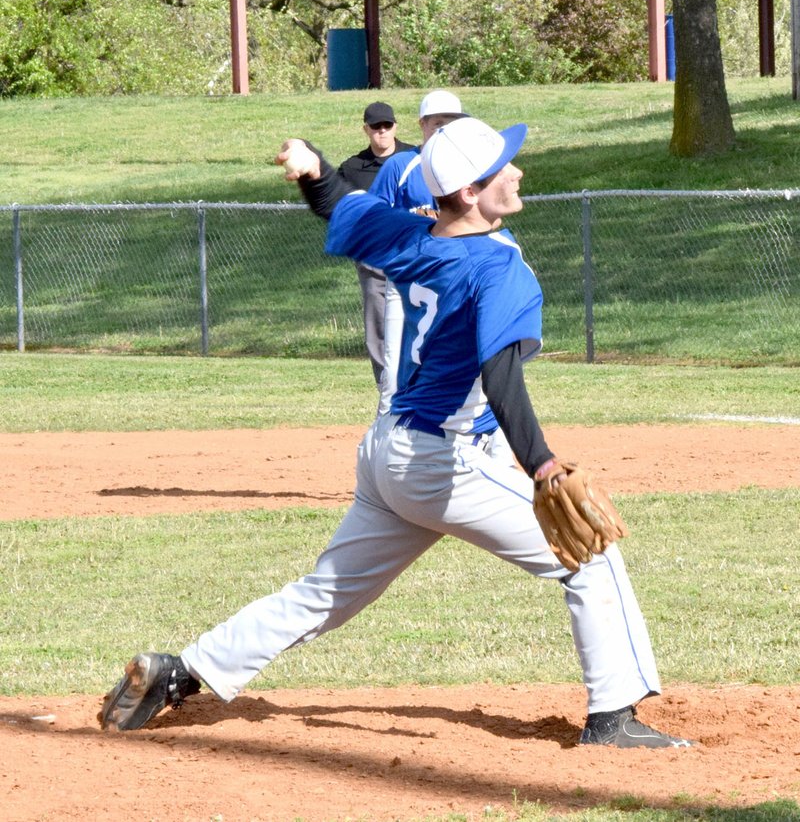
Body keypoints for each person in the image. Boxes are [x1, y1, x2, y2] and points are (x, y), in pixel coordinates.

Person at [99, 117, 695, 749]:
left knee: (324, 594)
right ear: (469, 192)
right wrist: (541, 463)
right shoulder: (498, 269)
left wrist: (313, 171)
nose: (517, 171)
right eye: (502, 167)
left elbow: (340, 207)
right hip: (447, 460)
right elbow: (500, 377)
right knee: (590, 558)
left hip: (388, 452)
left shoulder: (411, 234)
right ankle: (613, 720)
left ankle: (180, 673)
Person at [368, 89, 468, 414]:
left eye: (451, 123)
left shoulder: (469, 170)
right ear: (422, 124)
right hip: (406, 284)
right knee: (396, 368)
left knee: (459, 367)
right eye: (438, 123)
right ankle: (385, 441)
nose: (444, 130)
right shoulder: (401, 165)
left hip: (454, 283)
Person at [338, 101, 415, 387]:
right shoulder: (352, 168)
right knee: (378, 325)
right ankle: (387, 389)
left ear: (395, 126)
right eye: (376, 127)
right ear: (365, 130)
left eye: (387, 125)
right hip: (375, 258)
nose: (382, 131)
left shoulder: (415, 157)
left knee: (421, 320)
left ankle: (421, 387)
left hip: (416, 254)